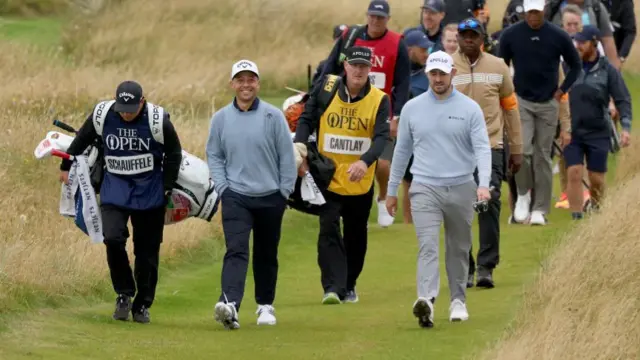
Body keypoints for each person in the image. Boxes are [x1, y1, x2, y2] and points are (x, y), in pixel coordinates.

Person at [59, 80, 183, 324]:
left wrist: (166, 187)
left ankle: (142, 304)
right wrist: (65, 166)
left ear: (142, 103)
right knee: (113, 238)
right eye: (122, 108)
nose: (126, 114)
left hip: (150, 193)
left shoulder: (158, 121)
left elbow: (174, 153)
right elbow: (81, 140)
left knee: (146, 253)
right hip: (115, 188)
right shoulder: (103, 115)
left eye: (131, 109)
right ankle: (124, 293)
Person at [386, 51, 492, 328]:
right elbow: (401, 151)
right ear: (427, 74)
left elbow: (482, 148)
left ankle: (458, 300)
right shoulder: (412, 108)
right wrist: (391, 189)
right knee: (428, 246)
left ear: (452, 74)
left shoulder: (469, 108)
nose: (437, 79)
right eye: (433, 73)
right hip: (424, 186)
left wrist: (483, 185)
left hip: (462, 185)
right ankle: (427, 301)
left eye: (442, 74)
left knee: (458, 247)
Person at [293, 46, 390, 304]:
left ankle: (349, 284)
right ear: (345, 66)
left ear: (370, 69)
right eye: (354, 65)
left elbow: (381, 137)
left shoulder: (380, 99)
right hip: (328, 176)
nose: (358, 70)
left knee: (356, 235)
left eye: (364, 66)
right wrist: (300, 148)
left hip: (360, 180)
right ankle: (332, 288)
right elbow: (306, 118)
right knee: (328, 229)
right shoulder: (327, 88)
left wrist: (365, 161)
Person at [206, 60, 297, 330]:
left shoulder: (273, 116)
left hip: (271, 195)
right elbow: (214, 154)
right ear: (233, 84)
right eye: (241, 80)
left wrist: (285, 191)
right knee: (236, 250)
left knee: (266, 253)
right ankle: (230, 304)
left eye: (251, 80)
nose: (246, 85)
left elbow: (286, 156)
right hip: (236, 195)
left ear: (257, 83)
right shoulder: (221, 118)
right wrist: (223, 187)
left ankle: (265, 305)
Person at [314, 0, 410, 228]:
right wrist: (318, 97)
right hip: (348, 109)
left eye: (380, 18)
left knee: (383, 164)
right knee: (348, 156)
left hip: (380, 110)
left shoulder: (397, 43)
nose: (375, 21)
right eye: (372, 16)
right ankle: (345, 204)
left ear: (388, 19)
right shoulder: (350, 36)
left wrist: (397, 115)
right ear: (367, 16)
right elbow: (330, 68)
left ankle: (383, 196)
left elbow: (404, 82)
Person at [452, 18, 523, 289]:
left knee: (489, 202)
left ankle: (486, 266)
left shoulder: (498, 66)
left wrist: (516, 149)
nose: (468, 39)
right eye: (464, 34)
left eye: (473, 35)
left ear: (482, 38)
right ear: (458, 37)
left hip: (491, 146)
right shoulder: (446, 66)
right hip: (454, 149)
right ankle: (465, 266)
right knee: (459, 209)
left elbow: (511, 108)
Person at [498, 0, 581, 225]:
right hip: (521, 101)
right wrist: (506, 95)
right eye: (529, 12)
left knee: (542, 156)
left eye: (536, 11)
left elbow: (576, 66)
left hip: (548, 102)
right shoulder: (511, 35)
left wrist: (562, 90)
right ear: (525, 11)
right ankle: (523, 195)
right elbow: (501, 67)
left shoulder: (558, 35)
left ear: (543, 10)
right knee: (522, 150)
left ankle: (540, 209)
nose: (533, 16)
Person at [563, 25, 632, 219]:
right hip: (573, 130)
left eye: (582, 42)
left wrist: (625, 127)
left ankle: (596, 208)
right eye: (577, 42)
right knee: (574, 172)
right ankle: (576, 216)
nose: (578, 46)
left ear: (594, 43)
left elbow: (623, 99)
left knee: (596, 179)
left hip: (598, 130)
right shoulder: (568, 66)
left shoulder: (608, 71)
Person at [402, 29, 433, 224]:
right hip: (403, 133)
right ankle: (408, 223)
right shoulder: (399, 73)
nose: (426, 54)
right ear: (409, 49)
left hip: (426, 132)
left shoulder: (428, 75)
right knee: (408, 180)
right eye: (422, 49)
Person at [546, 0, 622, 70]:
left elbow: (608, 44)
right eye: (569, 24)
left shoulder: (596, 8)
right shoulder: (552, 7)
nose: (572, 28)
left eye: (576, 24)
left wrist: (616, 76)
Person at [608, 0, 636, 66]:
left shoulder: (625, 3)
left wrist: (621, 57)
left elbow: (630, 32)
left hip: (613, 56)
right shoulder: (594, 2)